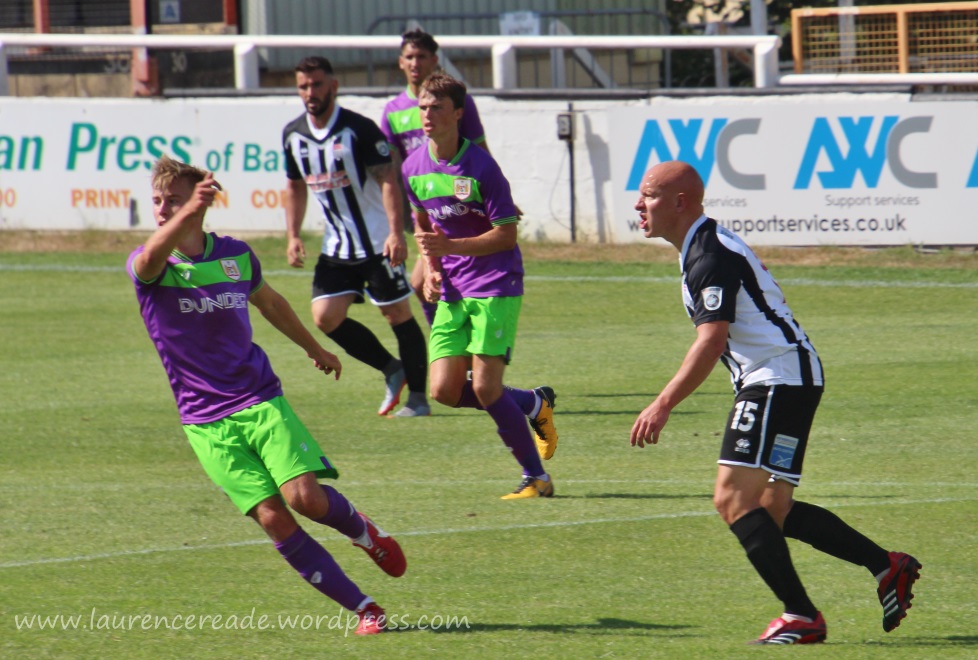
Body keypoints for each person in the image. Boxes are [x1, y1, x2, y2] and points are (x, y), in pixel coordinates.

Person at [629, 160, 921, 644]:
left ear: (679, 202)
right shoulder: (704, 246)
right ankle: (886, 566)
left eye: (649, 195)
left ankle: (801, 616)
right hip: (790, 379)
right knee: (772, 507)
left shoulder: (709, 253)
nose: (639, 204)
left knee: (733, 498)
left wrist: (662, 404)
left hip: (775, 381)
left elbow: (711, 340)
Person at [128, 155, 407, 636]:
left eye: (173, 199)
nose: (162, 208)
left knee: (305, 499)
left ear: (200, 204)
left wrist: (314, 348)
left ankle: (365, 533)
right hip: (203, 421)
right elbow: (151, 257)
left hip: (257, 398)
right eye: (157, 200)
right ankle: (366, 610)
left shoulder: (235, 255)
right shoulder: (149, 264)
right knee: (273, 518)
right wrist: (184, 211)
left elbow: (270, 301)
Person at [403, 73, 558, 499]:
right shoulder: (412, 167)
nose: (427, 115)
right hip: (452, 288)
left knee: (487, 388)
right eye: (423, 107)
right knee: (444, 390)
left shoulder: (482, 168)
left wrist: (450, 247)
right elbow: (423, 225)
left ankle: (536, 477)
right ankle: (531, 403)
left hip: (495, 284)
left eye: (437, 107)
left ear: (457, 113)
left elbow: (506, 235)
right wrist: (431, 267)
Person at [283, 55, 430, 418]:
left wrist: (396, 233)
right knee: (325, 317)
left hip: (378, 242)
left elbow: (388, 180)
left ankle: (418, 399)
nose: (310, 92)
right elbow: (295, 186)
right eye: (303, 86)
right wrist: (293, 235)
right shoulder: (293, 135)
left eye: (317, 84)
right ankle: (392, 369)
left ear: (333, 86)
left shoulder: (359, 129)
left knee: (397, 314)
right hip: (336, 247)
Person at [379, 28, 492, 328]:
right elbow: (390, 173)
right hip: (427, 209)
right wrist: (395, 229)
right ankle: (452, 344)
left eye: (421, 56)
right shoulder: (393, 112)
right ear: (400, 62)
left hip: (461, 204)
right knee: (426, 282)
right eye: (409, 57)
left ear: (434, 60)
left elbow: (480, 149)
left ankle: (459, 345)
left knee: (432, 280)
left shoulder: (456, 102)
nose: (415, 63)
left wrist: (497, 193)